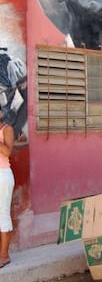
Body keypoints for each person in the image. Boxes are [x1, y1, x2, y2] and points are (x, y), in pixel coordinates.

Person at [0, 112, 15, 268]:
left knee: (3, 213)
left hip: (2, 176)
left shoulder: (6, 129)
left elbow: (7, 152)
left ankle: (4, 256)